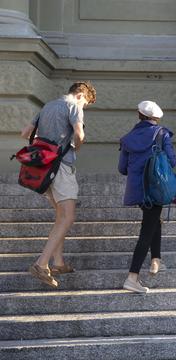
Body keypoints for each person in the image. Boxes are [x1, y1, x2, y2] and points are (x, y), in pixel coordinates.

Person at [21, 82, 96, 288]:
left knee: (60, 216)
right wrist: (75, 148)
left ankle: (59, 262)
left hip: (44, 169)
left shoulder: (47, 106)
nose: (84, 106)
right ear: (81, 94)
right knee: (69, 216)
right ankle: (41, 263)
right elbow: (79, 135)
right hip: (62, 166)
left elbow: (26, 133)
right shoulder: (74, 107)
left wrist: (46, 145)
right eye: (86, 102)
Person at [118, 101, 176, 294]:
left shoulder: (127, 138)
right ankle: (132, 277)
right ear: (156, 117)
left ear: (139, 115)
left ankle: (155, 260)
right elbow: (172, 161)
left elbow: (122, 169)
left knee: (153, 221)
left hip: (138, 190)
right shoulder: (161, 133)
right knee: (147, 230)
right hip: (156, 186)